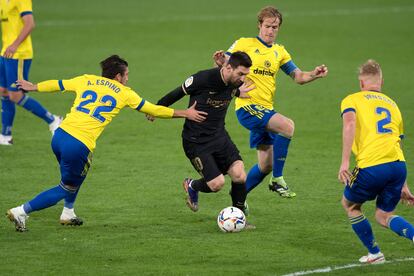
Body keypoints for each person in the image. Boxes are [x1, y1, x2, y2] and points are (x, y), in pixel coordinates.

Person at [6, 55, 207, 232]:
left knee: (78, 174)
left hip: (59, 136)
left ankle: (68, 213)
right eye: (126, 74)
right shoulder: (124, 92)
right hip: (78, 145)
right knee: (65, 187)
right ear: (118, 77)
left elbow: (59, 84)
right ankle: (21, 211)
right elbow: (153, 110)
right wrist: (185, 113)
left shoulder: (87, 80)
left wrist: (34, 86)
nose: (128, 78)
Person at [213, 6, 328, 198]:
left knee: (266, 164)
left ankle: (238, 196)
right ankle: (277, 180)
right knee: (287, 126)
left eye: (275, 27)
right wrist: (220, 62)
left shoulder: (279, 52)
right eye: (267, 26)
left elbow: (298, 76)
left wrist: (314, 74)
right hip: (248, 107)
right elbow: (225, 64)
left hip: (265, 109)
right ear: (259, 25)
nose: (271, 31)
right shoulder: (244, 44)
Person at [153, 51, 253, 219]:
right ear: (228, 68)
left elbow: (228, 88)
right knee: (216, 184)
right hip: (196, 141)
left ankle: (239, 216)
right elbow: (177, 92)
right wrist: (156, 108)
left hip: (219, 136)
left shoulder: (234, 81)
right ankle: (192, 185)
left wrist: (238, 92)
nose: (242, 79)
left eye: (245, 75)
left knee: (239, 174)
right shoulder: (202, 79)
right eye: (240, 74)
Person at [338, 59, 414, 264]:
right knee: (384, 215)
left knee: (350, 205)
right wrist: (404, 184)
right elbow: (398, 142)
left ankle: (375, 253)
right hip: (398, 166)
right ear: (381, 81)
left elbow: (350, 123)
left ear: (361, 82)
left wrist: (345, 162)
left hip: (372, 165)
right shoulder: (393, 104)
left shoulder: (352, 99)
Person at [0, 0, 62, 145]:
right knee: (3, 91)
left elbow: (30, 24)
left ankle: (53, 119)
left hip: (19, 54)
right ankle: (5, 135)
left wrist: (15, 45)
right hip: (5, 53)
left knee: (16, 95)